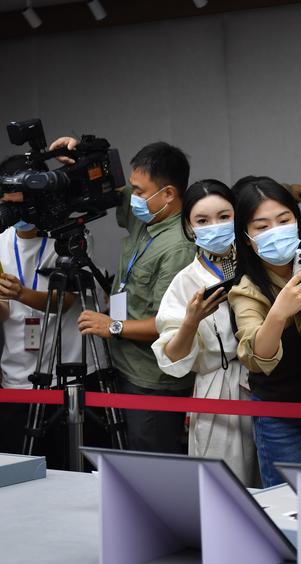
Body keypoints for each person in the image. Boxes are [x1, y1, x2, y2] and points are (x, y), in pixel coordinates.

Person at [49, 137, 198, 453]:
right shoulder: (150, 215)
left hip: (151, 379)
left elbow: (168, 325)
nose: (134, 197)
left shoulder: (179, 248)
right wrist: (79, 159)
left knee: (150, 462)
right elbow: (110, 188)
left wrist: (112, 326)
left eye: (140, 191)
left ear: (169, 194)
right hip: (123, 363)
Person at [151, 179, 257, 485]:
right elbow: (171, 359)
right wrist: (190, 321)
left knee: (271, 481)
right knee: (227, 482)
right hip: (217, 387)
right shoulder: (185, 281)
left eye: (224, 217)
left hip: (265, 380)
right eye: (202, 220)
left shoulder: (258, 262)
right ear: (189, 226)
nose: (215, 226)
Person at [0, 155, 104, 462]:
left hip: (68, 375)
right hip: (16, 376)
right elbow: (4, 311)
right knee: (20, 469)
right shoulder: (2, 241)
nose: (17, 211)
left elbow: (67, 300)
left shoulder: (69, 237)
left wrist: (22, 293)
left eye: (24, 202)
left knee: (69, 467)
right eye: (9, 202)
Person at [229, 176, 301, 487]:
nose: (276, 231)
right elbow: (257, 356)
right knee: (289, 500)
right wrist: (280, 312)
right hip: (280, 412)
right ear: (247, 237)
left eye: (284, 220)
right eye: (262, 226)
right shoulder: (246, 288)